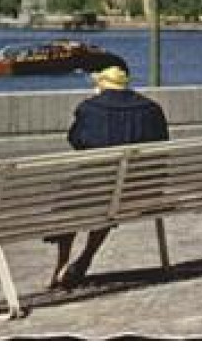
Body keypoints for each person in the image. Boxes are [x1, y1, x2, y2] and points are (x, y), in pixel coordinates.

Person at [48, 65, 170, 289]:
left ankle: (61, 265)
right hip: (141, 190)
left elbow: (77, 141)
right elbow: (162, 146)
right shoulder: (152, 108)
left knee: (69, 200)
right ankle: (85, 258)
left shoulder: (89, 108)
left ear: (101, 85)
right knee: (109, 201)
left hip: (102, 187)